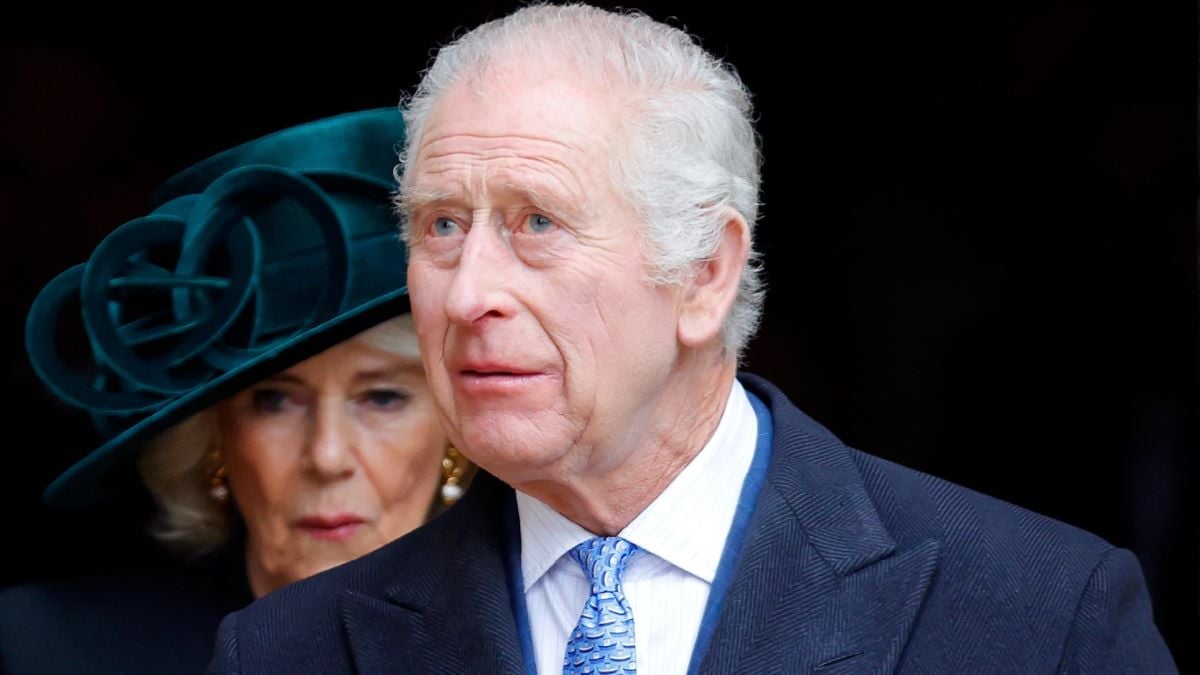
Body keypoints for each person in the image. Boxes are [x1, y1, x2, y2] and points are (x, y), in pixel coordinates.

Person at [208, 6, 1176, 673]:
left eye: (537, 223)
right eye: (441, 227)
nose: (467, 295)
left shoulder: (1041, 615)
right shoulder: (288, 650)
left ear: (705, 273)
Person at [0, 108, 471, 674]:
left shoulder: (555, 639)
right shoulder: (49, 650)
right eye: (275, 400)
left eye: (382, 397)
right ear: (212, 435)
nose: (326, 456)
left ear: (456, 432)